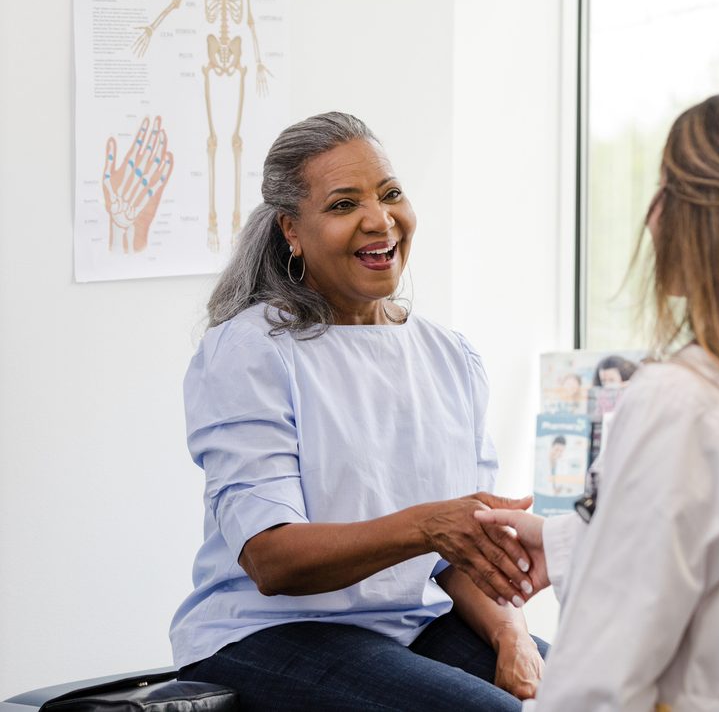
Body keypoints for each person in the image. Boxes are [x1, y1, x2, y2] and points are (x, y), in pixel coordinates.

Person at [170, 112, 548, 711]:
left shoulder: (450, 356)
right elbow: (272, 560)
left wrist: (512, 635)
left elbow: (464, 555)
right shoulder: (250, 352)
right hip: (268, 632)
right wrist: (426, 526)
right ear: (291, 230)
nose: (380, 220)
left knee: (598, 689)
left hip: (412, 621)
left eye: (391, 193)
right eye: (345, 205)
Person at [478, 93, 719, 710]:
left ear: (706, 223)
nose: (650, 216)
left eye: (665, 189)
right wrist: (565, 543)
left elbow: (598, 684)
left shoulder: (680, 402)